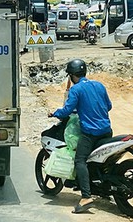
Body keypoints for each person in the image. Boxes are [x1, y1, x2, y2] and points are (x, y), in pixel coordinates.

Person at [48, 59, 113, 213]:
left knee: (80, 160)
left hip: (91, 134)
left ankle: (86, 196)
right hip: (107, 130)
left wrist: (54, 113)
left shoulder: (76, 90)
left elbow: (66, 110)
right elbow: (109, 106)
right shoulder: (99, 85)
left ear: (71, 76)